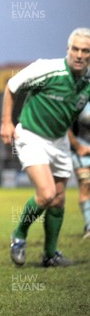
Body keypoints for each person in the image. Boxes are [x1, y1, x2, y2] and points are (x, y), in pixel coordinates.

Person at [0, 27, 90, 266]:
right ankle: (19, 235)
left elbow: (67, 115)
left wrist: (75, 144)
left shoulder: (88, 82)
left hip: (59, 139)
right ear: (68, 50)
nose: (79, 55)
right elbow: (12, 85)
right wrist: (6, 122)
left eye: (85, 50)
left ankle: (50, 255)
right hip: (31, 135)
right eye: (75, 49)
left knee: (59, 199)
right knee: (47, 194)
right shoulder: (48, 68)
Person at [69, 102, 90, 239]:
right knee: (86, 186)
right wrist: (78, 147)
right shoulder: (79, 99)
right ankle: (89, 225)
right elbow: (65, 126)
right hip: (83, 150)